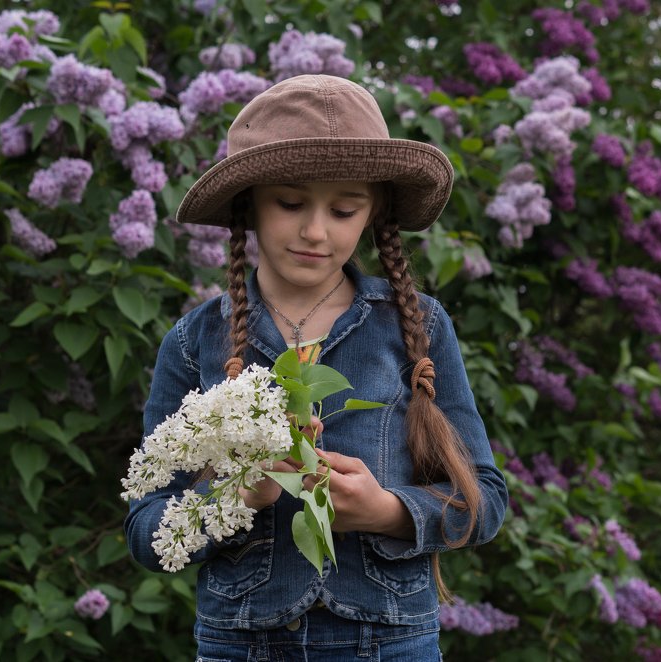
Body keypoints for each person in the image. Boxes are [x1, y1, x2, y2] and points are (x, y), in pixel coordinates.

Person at [124, 74, 508, 661]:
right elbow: (146, 531)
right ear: (249, 203)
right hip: (240, 643)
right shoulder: (193, 340)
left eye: (344, 208)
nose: (315, 231)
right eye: (290, 202)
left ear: (372, 212)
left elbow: (484, 500)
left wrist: (387, 511)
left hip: (392, 642)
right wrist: (232, 500)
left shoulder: (417, 328)